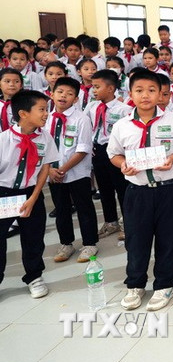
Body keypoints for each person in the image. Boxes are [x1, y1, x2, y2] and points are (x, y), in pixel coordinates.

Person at [108, 69, 173, 311]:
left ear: (160, 94)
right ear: (130, 94)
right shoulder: (122, 125)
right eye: (139, 90)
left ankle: (164, 284)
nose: (145, 95)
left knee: (169, 238)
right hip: (138, 191)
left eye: (151, 90)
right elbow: (113, 153)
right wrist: (123, 164)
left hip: (171, 188)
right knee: (136, 240)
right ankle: (135, 284)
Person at [0, 90, 59, 298]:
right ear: (24, 114)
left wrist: (33, 197)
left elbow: (45, 168)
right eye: (42, 110)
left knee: (33, 237)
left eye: (47, 109)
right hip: (3, 194)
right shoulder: (3, 139)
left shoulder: (45, 137)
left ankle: (34, 277)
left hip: (31, 193)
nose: (46, 114)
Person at [47, 77, 98, 263]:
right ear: (52, 94)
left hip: (77, 173)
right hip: (52, 174)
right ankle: (66, 243)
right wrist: (51, 170)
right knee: (61, 209)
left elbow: (83, 149)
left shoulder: (81, 119)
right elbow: (42, 147)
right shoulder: (46, 118)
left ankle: (90, 243)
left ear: (76, 99)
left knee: (84, 207)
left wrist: (62, 169)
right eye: (60, 92)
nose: (63, 96)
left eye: (69, 94)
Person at [87, 69, 131, 240]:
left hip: (116, 153)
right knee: (104, 188)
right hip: (98, 151)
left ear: (111, 88)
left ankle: (128, 222)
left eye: (97, 87)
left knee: (122, 188)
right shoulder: (92, 107)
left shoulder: (123, 109)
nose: (94, 90)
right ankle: (110, 221)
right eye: (92, 87)